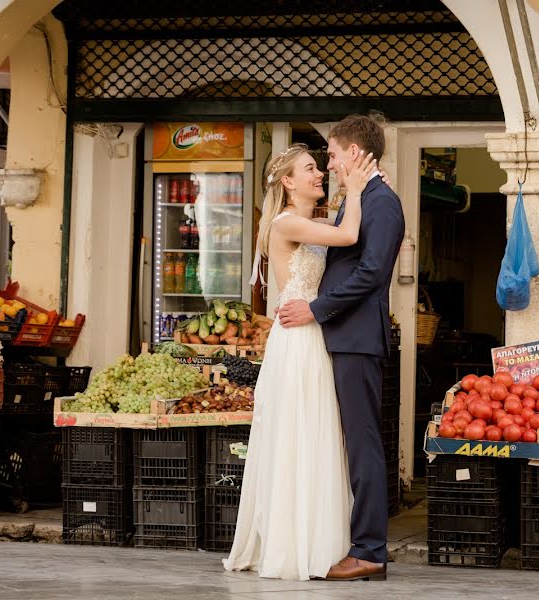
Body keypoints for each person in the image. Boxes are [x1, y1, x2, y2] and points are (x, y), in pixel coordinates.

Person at [223, 143, 377, 581]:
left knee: (316, 431)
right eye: (310, 169)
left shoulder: (312, 222)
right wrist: (359, 186)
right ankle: (295, 542)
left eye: (319, 168)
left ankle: (318, 538)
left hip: (313, 331)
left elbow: (349, 232)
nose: (319, 175)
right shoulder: (287, 222)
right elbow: (349, 236)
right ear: (288, 182)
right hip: (299, 336)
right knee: (299, 433)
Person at [277, 115, 406, 582]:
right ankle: (347, 540)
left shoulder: (383, 202)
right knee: (346, 443)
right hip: (338, 335)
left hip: (354, 337)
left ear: (354, 152)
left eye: (331, 154)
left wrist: (316, 308)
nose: (329, 164)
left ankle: (370, 549)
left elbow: (371, 274)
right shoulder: (365, 198)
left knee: (363, 442)